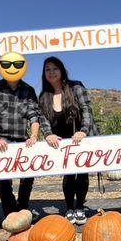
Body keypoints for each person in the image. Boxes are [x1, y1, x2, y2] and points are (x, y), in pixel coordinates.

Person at [38, 56, 100, 225]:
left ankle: (80, 206)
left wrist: (83, 131)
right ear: (44, 74)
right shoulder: (44, 95)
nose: (51, 72)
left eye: (54, 68)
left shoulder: (76, 87)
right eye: (47, 69)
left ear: (61, 70)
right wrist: (47, 134)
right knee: (68, 173)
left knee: (82, 172)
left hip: (81, 136)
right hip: (63, 140)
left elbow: (87, 110)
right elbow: (42, 119)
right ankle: (69, 208)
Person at [0, 51, 40, 218]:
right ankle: (9, 211)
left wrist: (34, 136)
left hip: (22, 140)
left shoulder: (29, 90)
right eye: (7, 65)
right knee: (4, 180)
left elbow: (33, 116)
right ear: (1, 67)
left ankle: (22, 207)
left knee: (28, 175)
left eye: (17, 65)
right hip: (0, 140)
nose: (12, 68)